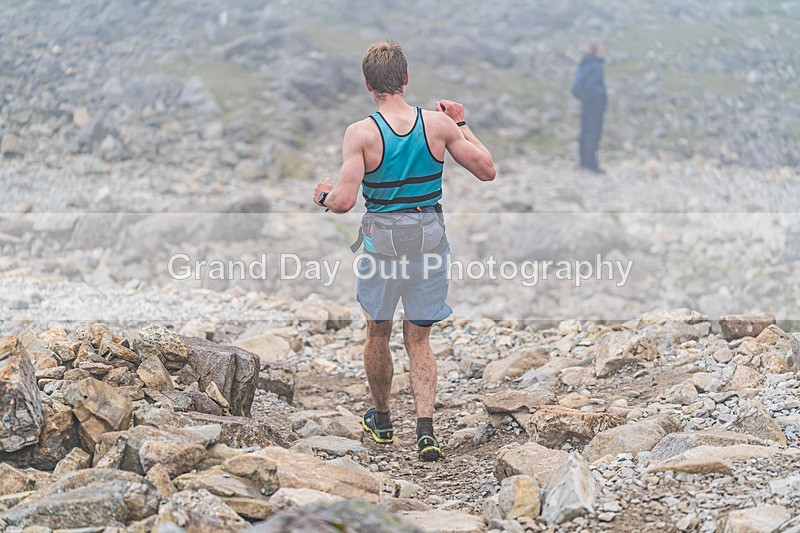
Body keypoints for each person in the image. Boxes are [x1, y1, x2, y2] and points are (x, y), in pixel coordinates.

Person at [313, 41, 495, 461]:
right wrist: (462, 123)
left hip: (383, 243)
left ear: (367, 85)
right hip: (430, 238)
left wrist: (322, 196)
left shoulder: (361, 133)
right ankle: (426, 431)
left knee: (378, 331)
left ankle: (382, 420)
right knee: (420, 340)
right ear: (406, 78)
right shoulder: (437, 125)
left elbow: (343, 202)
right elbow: (487, 169)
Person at [572, 39, 607, 173]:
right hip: (595, 105)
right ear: (597, 50)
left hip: (586, 103)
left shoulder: (585, 63)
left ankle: (583, 162)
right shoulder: (596, 66)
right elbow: (592, 86)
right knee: (593, 133)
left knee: (585, 131)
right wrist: (602, 94)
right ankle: (591, 165)